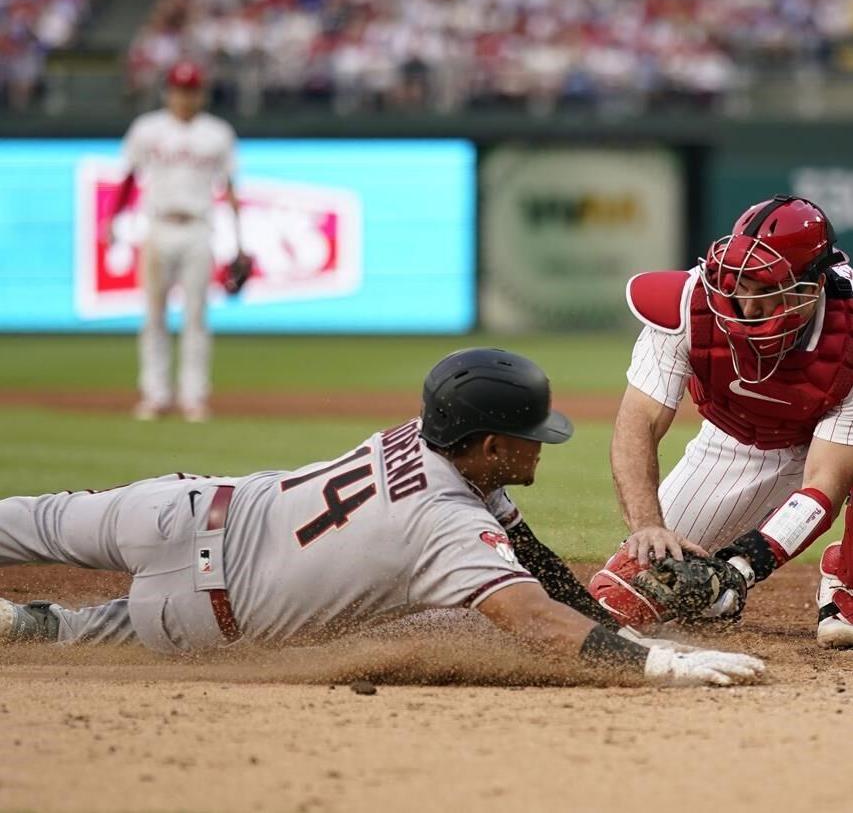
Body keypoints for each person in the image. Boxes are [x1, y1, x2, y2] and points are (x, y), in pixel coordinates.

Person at [0, 348, 763, 687]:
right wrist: (653, 662)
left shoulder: (430, 435)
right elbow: (535, 623)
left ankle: (21, 621)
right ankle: (23, 625)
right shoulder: (446, 527)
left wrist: (612, 621)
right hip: (198, 617)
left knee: (28, 520)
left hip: (180, 509)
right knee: (66, 631)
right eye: (530, 438)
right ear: (491, 444)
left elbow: (527, 550)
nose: (540, 449)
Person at [587, 195, 853, 648]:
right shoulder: (686, 303)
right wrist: (647, 525)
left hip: (829, 444)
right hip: (736, 443)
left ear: (811, 290)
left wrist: (741, 566)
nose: (744, 306)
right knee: (625, 596)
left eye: (764, 291)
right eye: (738, 284)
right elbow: (638, 425)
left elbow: (826, 481)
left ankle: (845, 580)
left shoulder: (846, 332)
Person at [107, 59, 244, 423]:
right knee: (153, 316)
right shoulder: (147, 128)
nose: (185, 96)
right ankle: (155, 393)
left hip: (199, 228)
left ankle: (193, 396)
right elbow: (128, 178)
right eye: (179, 89)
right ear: (169, 91)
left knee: (196, 317)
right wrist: (112, 219)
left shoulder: (218, 133)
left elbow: (230, 188)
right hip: (159, 226)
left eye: (192, 89)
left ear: (201, 94)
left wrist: (240, 241)